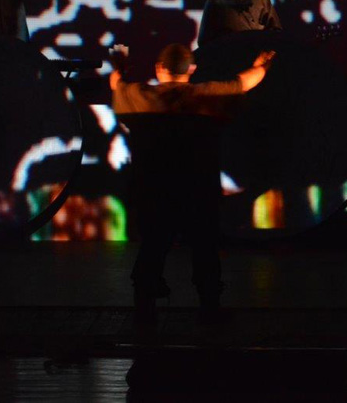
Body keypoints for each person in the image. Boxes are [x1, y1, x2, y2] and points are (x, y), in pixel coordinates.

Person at [110, 42, 275, 324]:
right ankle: (210, 310)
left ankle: (144, 310)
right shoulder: (208, 96)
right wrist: (262, 65)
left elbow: (116, 84)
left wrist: (119, 67)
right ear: (192, 69)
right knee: (204, 248)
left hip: (154, 190)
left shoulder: (140, 95)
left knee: (153, 246)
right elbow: (245, 82)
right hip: (199, 190)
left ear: (159, 69)